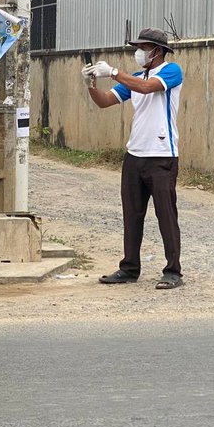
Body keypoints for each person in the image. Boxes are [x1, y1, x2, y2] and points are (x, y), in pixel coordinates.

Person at [81, 28, 184, 289]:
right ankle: (129, 268)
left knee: (166, 215)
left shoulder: (172, 72)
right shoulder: (135, 78)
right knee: (132, 215)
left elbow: (148, 88)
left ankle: (173, 271)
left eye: (144, 47)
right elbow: (105, 101)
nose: (139, 52)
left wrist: (114, 72)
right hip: (135, 155)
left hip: (162, 156)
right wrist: (91, 84)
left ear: (157, 51)